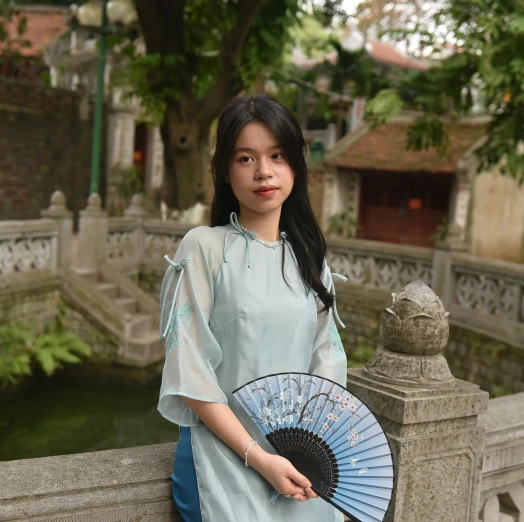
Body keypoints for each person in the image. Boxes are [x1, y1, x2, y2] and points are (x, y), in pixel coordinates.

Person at [157, 95, 347, 521]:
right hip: (222, 455)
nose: (264, 171)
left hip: (299, 462)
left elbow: (327, 366)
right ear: (225, 170)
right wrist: (260, 458)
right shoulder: (203, 247)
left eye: (277, 156)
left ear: (295, 165)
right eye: (246, 158)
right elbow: (190, 371)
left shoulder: (311, 261)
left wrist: (306, 452)